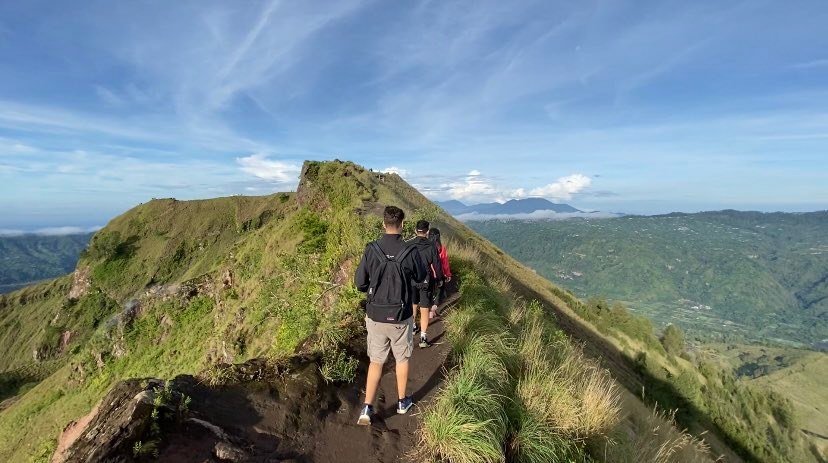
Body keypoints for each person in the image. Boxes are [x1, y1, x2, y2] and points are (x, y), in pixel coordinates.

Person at [354, 206, 427, 426]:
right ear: (403, 225)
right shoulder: (410, 251)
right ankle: (402, 402)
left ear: (383, 224)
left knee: (376, 361)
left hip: (375, 315)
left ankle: (367, 406)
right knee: (402, 359)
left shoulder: (371, 249)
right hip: (401, 315)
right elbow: (421, 276)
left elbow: (359, 283)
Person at [406, 220, 443, 348]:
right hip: (425, 279)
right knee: (424, 308)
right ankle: (423, 337)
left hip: (411, 279)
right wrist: (439, 279)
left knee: (413, 304)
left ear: (416, 231)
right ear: (427, 232)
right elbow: (437, 265)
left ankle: (412, 328)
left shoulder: (408, 244)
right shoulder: (432, 246)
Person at [428, 227, 452, 311]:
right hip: (439, 274)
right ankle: (433, 309)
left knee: (428, 292)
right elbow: (445, 263)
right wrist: (448, 274)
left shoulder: (426, 247)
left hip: (428, 274)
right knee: (440, 290)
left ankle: (428, 309)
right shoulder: (441, 248)